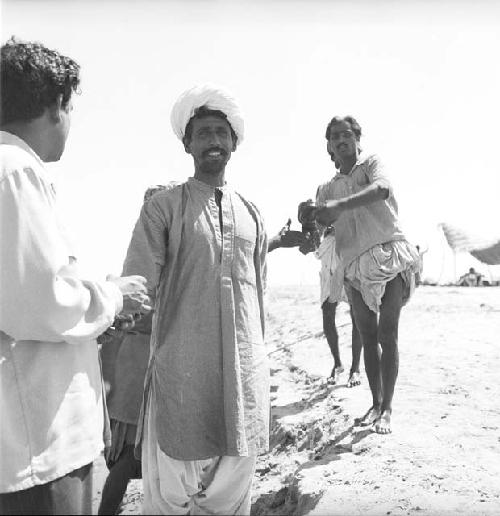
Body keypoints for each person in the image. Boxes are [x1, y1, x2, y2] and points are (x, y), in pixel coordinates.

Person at [0, 37, 151, 515]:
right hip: (38, 442)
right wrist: (113, 297)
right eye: (70, 107)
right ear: (54, 105)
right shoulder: (15, 171)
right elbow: (41, 301)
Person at [121, 85, 270, 515]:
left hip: (243, 376)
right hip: (181, 377)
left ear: (234, 143)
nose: (214, 141)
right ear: (186, 143)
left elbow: (254, 293)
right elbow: (138, 285)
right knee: (170, 499)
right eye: (203, 133)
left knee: (231, 497)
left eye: (222, 133)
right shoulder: (164, 208)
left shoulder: (252, 213)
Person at [309, 115, 419, 434]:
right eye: (335, 137)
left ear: (358, 139)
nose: (342, 140)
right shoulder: (326, 188)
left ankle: (387, 408)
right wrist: (309, 220)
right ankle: (375, 402)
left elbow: (383, 188)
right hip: (354, 266)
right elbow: (318, 234)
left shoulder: (371, 163)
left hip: (388, 255)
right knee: (368, 338)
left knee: (388, 335)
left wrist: (340, 205)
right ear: (328, 146)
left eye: (347, 134)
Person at [311, 154, 363, 387]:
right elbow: (316, 224)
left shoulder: (356, 187)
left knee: (357, 314)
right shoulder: (324, 188)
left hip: (350, 251)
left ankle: (355, 369)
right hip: (328, 250)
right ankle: (338, 364)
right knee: (327, 312)